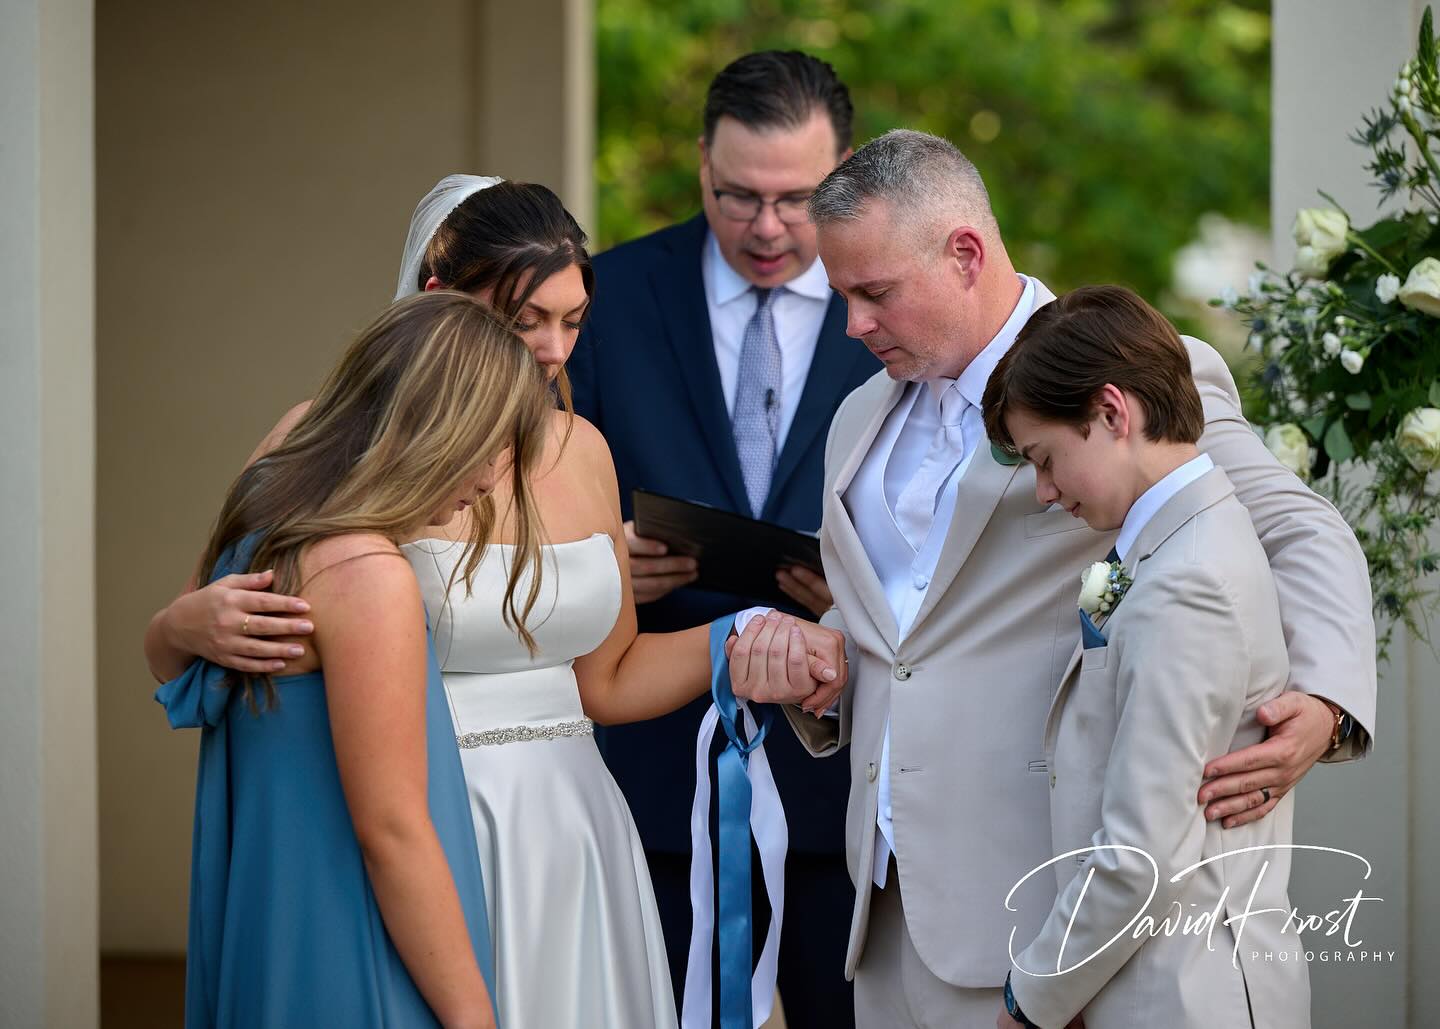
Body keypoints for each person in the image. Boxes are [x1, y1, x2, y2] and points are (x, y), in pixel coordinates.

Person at [144, 175, 841, 1029]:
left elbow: (608, 680)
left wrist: (739, 634)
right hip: (424, 817)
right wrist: (181, 624)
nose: (553, 351)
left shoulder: (583, 450)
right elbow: (191, 660)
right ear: (439, 300)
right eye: (525, 319)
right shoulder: (325, 439)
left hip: (572, 825)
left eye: (573, 321)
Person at [727, 130, 1375, 1028]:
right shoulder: (856, 418)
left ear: (964, 254)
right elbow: (898, 625)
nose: (853, 325)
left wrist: (1329, 699)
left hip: (1050, 902)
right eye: (842, 295)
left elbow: (1298, 527)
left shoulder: (1123, 371)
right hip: (885, 910)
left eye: (875, 292)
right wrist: (821, 663)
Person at [569, 51, 877, 1025]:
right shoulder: (607, 297)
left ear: (846, 172)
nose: (767, 227)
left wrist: (862, 590)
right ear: (702, 161)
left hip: (843, 770)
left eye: (796, 199)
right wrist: (599, 564)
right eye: (738, 195)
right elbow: (537, 488)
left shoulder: (895, 302)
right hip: (653, 770)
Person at [155, 290, 550, 1027]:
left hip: (269, 924)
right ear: (438, 430)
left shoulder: (267, 510)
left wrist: (174, 626)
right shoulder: (364, 575)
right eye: (490, 443)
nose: (490, 479)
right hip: (353, 936)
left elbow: (173, 673)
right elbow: (392, 831)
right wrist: (474, 1016)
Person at [982, 285, 1312, 1028]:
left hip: (1185, 992)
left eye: (1045, 458)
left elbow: (1143, 855)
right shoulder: (1160, 544)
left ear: (1111, 413)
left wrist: (1033, 998)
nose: (1043, 491)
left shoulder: (1188, 579)